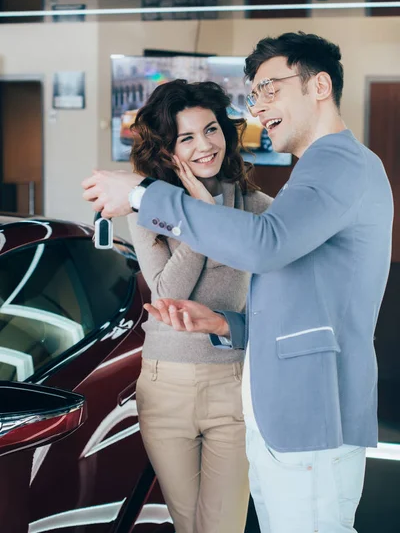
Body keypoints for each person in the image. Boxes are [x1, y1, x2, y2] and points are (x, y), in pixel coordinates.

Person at [82, 32, 393, 533]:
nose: (259, 106)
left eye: (270, 88)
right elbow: (300, 297)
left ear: (319, 85)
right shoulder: (317, 171)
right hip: (280, 408)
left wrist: (143, 195)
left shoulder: (336, 164)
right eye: (254, 94)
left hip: (305, 411)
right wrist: (225, 323)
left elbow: (265, 244)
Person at [116, 79, 272, 533]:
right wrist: (201, 216)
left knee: (221, 527)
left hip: (234, 384)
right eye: (187, 137)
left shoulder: (261, 210)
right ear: (167, 150)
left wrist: (209, 214)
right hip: (164, 386)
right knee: (189, 526)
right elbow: (167, 292)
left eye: (212, 129)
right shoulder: (146, 208)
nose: (205, 146)